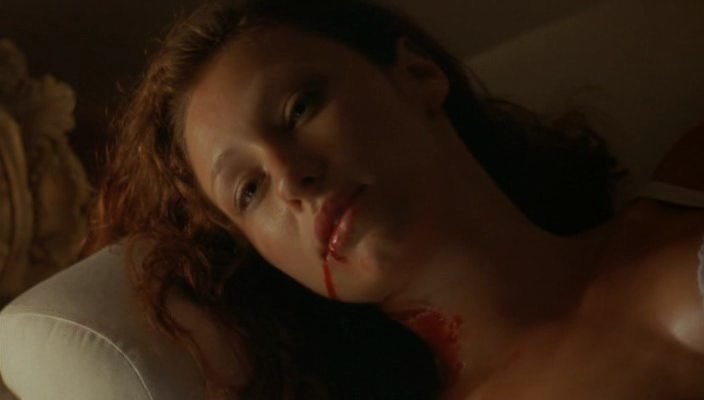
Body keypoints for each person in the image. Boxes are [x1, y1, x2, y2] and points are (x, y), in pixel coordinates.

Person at [91, 0, 704, 398]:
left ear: (418, 75)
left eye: (299, 108)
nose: (290, 178)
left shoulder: (683, 185)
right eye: (249, 190)